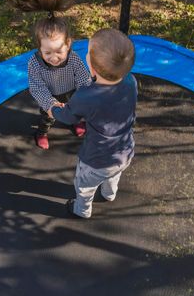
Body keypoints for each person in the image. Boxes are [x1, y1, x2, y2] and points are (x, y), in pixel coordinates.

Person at [49, 28, 137, 218]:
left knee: (84, 187)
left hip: (96, 160)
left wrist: (54, 109)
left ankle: (82, 210)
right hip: (125, 151)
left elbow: (68, 117)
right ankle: (109, 194)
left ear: (92, 66)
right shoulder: (131, 81)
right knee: (114, 175)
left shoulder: (87, 96)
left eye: (88, 53)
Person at [7, 0, 91, 150]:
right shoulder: (35, 63)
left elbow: (84, 79)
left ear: (68, 44)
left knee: (75, 112)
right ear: (39, 49)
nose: (54, 57)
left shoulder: (73, 59)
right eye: (47, 53)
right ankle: (42, 132)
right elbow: (36, 86)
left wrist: (84, 95)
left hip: (72, 93)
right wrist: (50, 104)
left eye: (59, 51)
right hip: (51, 96)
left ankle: (74, 123)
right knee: (48, 118)